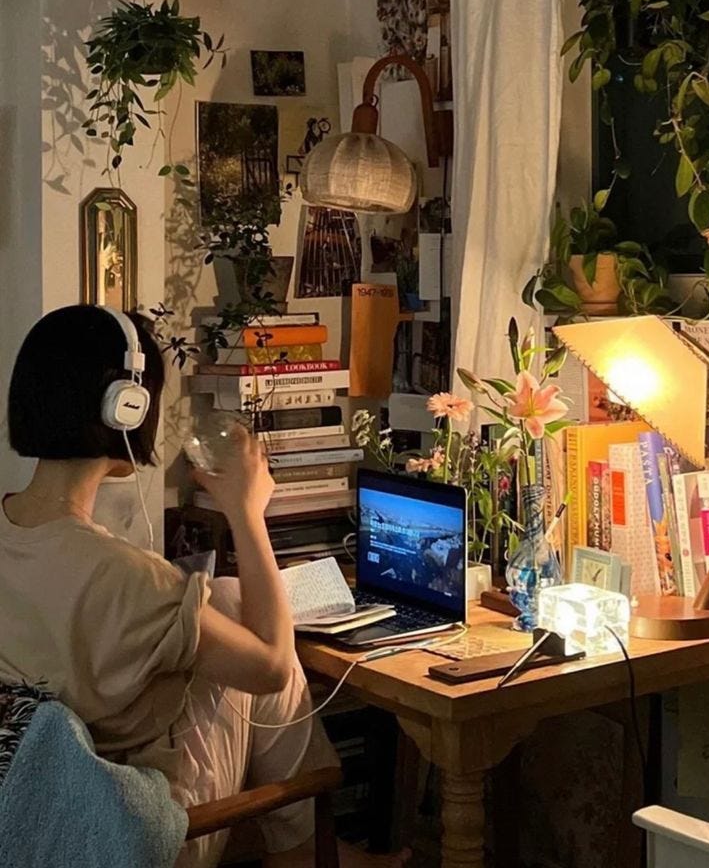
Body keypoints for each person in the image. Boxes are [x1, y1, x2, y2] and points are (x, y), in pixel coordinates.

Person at [0, 305, 408, 868]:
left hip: (41, 810)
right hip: (126, 830)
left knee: (230, 598)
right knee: (269, 660)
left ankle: (307, 850)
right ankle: (304, 851)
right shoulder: (127, 577)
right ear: (126, 408)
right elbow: (270, 665)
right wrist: (247, 512)